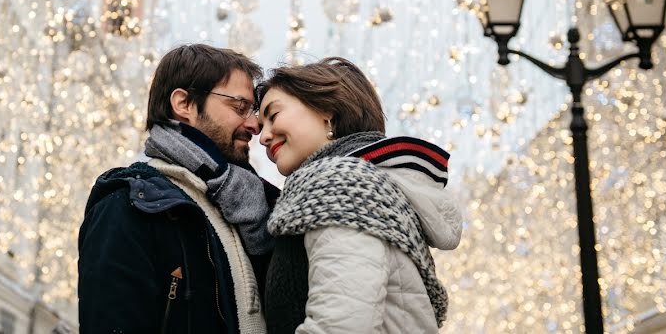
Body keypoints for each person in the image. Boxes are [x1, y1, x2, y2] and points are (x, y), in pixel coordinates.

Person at [78, 43, 276, 334]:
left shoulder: (243, 207)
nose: (255, 124)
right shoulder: (128, 206)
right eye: (239, 107)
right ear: (183, 104)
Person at [257, 57, 461, 334]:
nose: (263, 137)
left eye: (274, 115)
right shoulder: (366, 185)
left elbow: (342, 323)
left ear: (326, 110)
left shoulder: (340, 184)